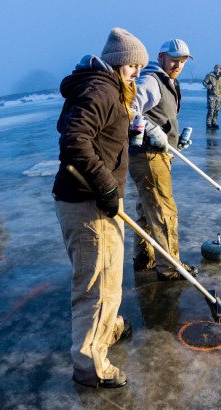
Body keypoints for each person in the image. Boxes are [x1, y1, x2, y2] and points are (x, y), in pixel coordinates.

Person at [51, 27, 148, 389]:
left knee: (107, 279)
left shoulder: (102, 87)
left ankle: (108, 328)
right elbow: (74, 139)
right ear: (116, 64)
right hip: (89, 203)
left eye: (139, 66)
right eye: (131, 66)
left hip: (87, 200)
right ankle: (91, 365)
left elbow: (83, 131)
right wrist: (106, 184)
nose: (136, 72)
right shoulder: (102, 89)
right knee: (98, 287)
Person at [129, 38, 198, 281]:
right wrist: (149, 130)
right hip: (148, 155)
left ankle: (144, 257)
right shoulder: (151, 80)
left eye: (182, 62)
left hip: (157, 154)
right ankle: (170, 267)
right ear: (161, 58)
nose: (178, 65)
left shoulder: (167, 81)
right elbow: (128, 108)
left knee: (148, 209)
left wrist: (176, 141)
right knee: (163, 209)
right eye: (174, 60)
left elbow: (160, 117)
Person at [202, 63, 221, 129]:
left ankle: (214, 123)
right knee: (211, 109)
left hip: (219, 96)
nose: (217, 69)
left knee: (217, 110)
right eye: (216, 68)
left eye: (219, 68)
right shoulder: (210, 75)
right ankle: (208, 123)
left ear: (220, 69)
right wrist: (207, 86)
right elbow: (204, 82)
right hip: (211, 95)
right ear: (214, 69)